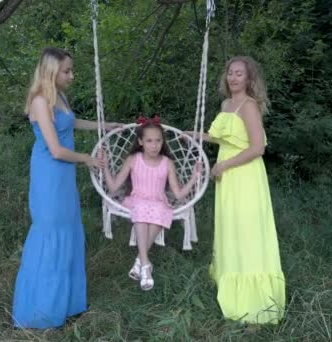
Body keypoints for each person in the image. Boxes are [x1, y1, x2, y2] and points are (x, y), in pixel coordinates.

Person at [13, 47, 121, 329]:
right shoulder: (40, 101)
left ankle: (67, 304)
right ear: (51, 71)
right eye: (67, 71)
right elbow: (57, 150)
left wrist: (104, 125)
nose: (72, 75)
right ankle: (41, 311)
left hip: (63, 177)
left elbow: (71, 123)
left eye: (72, 70)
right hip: (50, 173)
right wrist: (88, 160)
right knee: (50, 232)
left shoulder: (59, 96)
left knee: (69, 230)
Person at [186, 56, 285, 324]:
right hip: (228, 176)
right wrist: (198, 136)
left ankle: (255, 305)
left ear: (249, 79)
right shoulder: (226, 103)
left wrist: (224, 165)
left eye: (239, 73)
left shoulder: (249, 106)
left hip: (244, 175)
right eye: (230, 72)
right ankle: (230, 281)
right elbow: (225, 138)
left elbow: (256, 148)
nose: (233, 77)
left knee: (247, 232)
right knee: (231, 229)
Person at [100, 116, 201, 291]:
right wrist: (106, 167)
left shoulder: (167, 163)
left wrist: (193, 178)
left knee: (159, 211)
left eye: (158, 141)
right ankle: (146, 265)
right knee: (141, 209)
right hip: (137, 200)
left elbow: (177, 194)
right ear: (140, 142)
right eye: (149, 141)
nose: (154, 145)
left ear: (162, 142)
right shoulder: (134, 159)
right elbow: (114, 187)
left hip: (158, 201)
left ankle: (141, 260)